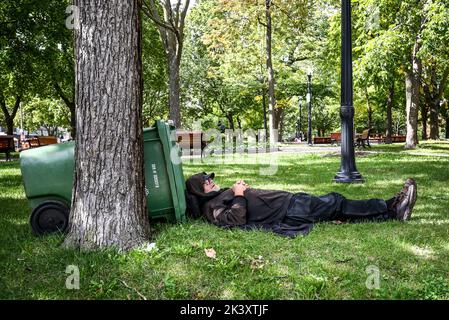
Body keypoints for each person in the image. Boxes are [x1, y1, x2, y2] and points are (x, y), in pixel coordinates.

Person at [185, 172, 418, 237]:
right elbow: (236, 219)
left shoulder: (218, 196)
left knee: (335, 210)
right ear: (198, 191)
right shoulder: (211, 208)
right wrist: (238, 194)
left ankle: (390, 215)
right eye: (206, 182)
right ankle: (391, 205)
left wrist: (240, 190)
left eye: (210, 178)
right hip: (289, 209)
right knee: (335, 202)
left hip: (289, 203)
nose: (211, 181)